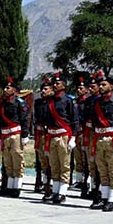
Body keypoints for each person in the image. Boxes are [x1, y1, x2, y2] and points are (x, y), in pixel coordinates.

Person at [89, 72, 113, 211]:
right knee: (102, 169)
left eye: (104, 85)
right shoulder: (96, 102)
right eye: (100, 85)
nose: (101, 87)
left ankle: (112, 200)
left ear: (111, 86)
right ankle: (104, 198)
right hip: (99, 139)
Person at [43, 73, 77, 205]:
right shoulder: (50, 101)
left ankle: (62, 192)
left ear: (64, 85)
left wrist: (73, 137)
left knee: (64, 165)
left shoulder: (68, 100)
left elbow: (74, 120)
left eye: (58, 83)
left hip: (63, 135)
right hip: (52, 135)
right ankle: (55, 191)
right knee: (54, 165)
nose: (55, 85)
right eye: (54, 83)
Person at [0, 77, 29, 197]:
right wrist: (0, 137)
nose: (5, 90)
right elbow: (1, 122)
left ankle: (17, 187)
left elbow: (25, 119)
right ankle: (10, 186)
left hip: (16, 134)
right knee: (8, 161)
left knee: (17, 160)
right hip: (5, 134)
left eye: (8, 87)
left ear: (14, 90)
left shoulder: (20, 103)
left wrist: (25, 136)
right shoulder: (3, 104)